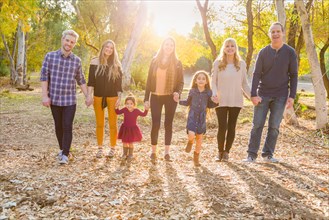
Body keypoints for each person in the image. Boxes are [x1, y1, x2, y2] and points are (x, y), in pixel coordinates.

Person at [243, 22, 298, 163]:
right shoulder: (263, 52)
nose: (275, 34)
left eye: (278, 31)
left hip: (281, 95)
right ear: (269, 34)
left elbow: (294, 75)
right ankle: (251, 155)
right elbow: (256, 74)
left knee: (274, 126)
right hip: (263, 94)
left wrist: (292, 96)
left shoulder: (290, 52)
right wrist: (253, 94)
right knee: (257, 125)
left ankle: (268, 155)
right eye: (272, 32)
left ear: (283, 33)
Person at [40, 29, 89, 164]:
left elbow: (81, 80)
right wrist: (45, 96)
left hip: (69, 100)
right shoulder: (50, 56)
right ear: (62, 39)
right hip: (54, 99)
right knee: (58, 126)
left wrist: (87, 96)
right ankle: (62, 149)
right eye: (67, 40)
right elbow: (44, 77)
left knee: (67, 125)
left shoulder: (76, 61)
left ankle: (66, 155)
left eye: (72, 42)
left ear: (74, 44)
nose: (69, 43)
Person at [144, 37, 184, 164]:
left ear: (174, 47)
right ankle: (153, 151)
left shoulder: (177, 63)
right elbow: (149, 81)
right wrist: (146, 98)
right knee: (155, 124)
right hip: (155, 96)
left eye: (171, 45)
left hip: (170, 97)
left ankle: (167, 152)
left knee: (168, 124)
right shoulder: (154, 61)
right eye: (167, 44)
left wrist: (178, 92)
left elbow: (181, 82)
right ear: (162, 46)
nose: (169, 47)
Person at [211, 38, 251, 162]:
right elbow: (213, 82)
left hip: (236, 100)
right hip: (220, 100)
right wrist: (214, 94)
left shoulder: (241, 64)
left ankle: (227, 152)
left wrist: (252, 97)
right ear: (224, 48)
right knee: (222, 126)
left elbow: (244, 83)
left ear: (235, 48)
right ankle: (219, 152)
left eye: (232, 46)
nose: (230, 48)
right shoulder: (218, 63)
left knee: (232, 126)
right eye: (227, 46)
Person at [87, 40, 123, 158]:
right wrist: (89, 95)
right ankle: (100, 148)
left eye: (111, 48)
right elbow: (91, 82)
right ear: (103, 48)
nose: (109, 49)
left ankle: (112, 147)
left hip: (113, 97)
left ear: (113, 51)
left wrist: (119, 98)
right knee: (100, 123)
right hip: (98, 96)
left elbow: (119, 85)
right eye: (107, 47)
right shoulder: (94, 62)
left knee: (113, 123)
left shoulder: (116, 64)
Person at [180, 71, 217, 166]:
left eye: (203, 79)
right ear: (195, 81)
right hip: (192, 116)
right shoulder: (192, 91)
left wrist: (217, 102)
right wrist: (178, 101)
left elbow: (209, 105)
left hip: (202, 118)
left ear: (206, 82)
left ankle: (196, 157)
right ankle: (190, 141)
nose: (201, 80)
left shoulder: (208, 92)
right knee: (191, 134)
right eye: (199, 78)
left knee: (200, 138)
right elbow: (188, 102)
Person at [115, 94, 149, 167]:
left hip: (132, 129)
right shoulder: (124, 109)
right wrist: (116, 107)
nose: (129, 105)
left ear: (134, 104)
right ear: (125, 104)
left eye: (131, 104)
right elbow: (117, 112)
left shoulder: (136, 110)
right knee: (124, 142)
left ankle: (130, 154)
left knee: (130, 142)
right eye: (127, 104)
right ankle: (124, 154)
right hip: (125, 128)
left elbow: (143, 114)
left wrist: (146, 109)